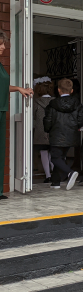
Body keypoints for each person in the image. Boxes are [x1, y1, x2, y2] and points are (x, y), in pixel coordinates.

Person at [0, 31, 33, 199]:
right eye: (0, 44)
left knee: (0, 150)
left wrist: (19, 89)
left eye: (4, 44)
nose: (4, 47)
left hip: (2, 109)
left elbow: (3, 85)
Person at [43, 78, 83, 190]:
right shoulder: (77, 103)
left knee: (55, 158)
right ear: (71, 91)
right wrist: (78, 127)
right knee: (60, 157)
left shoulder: (52, 104)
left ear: (58, 90)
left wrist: (47, 130)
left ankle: (70, 173)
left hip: (56, 134)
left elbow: (48, 120)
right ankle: (55, 182)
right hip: (71, 135)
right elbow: (81, 119)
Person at [33, 77, 55, 183]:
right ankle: (55, 173)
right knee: (54, 152)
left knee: (44, 152)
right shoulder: (55, 101)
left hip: (41, 131)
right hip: (54, 130)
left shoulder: (36, 102)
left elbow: (33, 116)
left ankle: (48, 175)